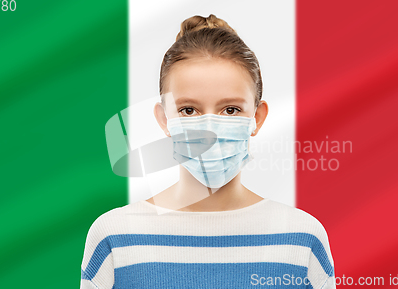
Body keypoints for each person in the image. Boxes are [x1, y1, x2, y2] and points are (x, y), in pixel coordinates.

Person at [80, 14, 336, 289]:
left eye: (230, 109)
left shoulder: (302, 238)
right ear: (164, 118)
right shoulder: (114, 237)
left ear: (257, 118)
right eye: (188, 110)